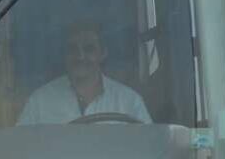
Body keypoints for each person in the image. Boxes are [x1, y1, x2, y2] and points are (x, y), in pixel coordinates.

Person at [17, 20, 152, 126]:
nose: (80, 56)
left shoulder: (130, 102)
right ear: (65, 54)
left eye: (89, 49)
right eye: (73, 49)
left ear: (103, 53)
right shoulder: (39, 102)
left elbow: (148, 150)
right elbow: (22, 151)